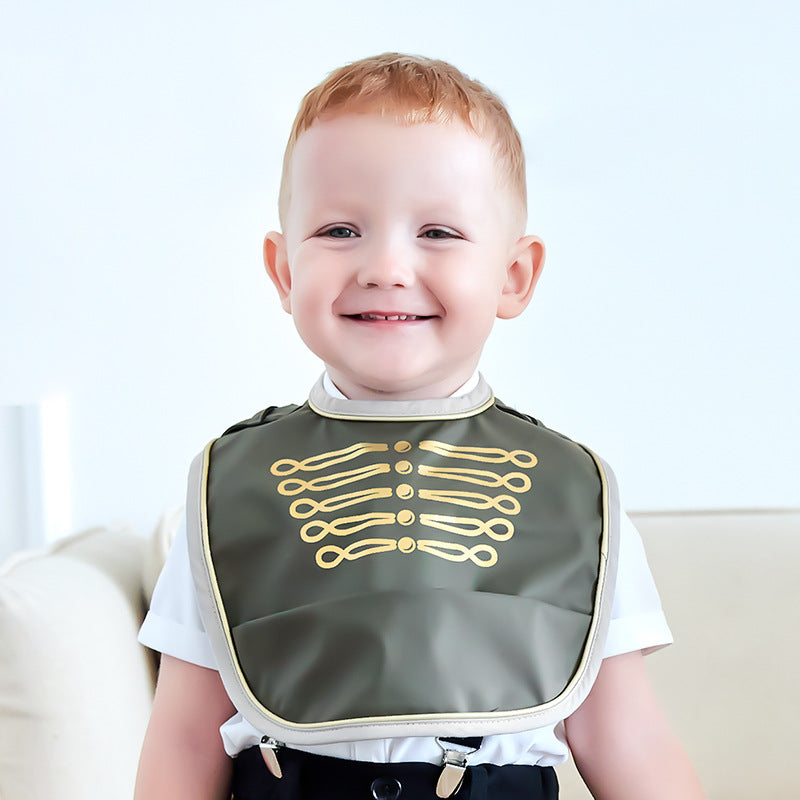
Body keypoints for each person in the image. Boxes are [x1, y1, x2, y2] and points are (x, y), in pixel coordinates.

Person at [134, 53, 704, 800]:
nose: (386, 267)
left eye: (437, 231)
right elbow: (183, 735)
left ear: (513, 276)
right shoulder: (228, 491)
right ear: (284, 272)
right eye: (340, 229)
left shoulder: (574, 497)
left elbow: (625, 736)